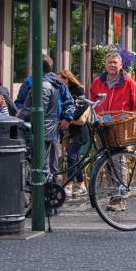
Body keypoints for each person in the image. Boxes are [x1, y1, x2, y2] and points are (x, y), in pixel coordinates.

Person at [89, 53, 136, 213]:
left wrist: (127, 117)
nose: (112, 65)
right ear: (105, 65)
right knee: (106, 162)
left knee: (118, 161)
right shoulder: (98, 82)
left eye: (115, 63)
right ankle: (112, 196)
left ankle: (120, 199)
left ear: (121, 65)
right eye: (109, 63)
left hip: (121, 128)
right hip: (103, 126)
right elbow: (92, 101)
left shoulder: (129, 83)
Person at [17, 57, 73, 182]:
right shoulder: (29, 82)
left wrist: (67, 119)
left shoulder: (58, 83)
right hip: (33, 127)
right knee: (41, 162)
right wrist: (20, 110)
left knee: (50, 162)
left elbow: (69, 102)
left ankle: (50, 190)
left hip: (54, 126)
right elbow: (19, 102)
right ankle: (43, 190)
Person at [57, 68, 89, 197]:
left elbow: (82, 107)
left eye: (61, 79)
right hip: (68, 130)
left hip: (80, 130)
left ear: (67, 79)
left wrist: (67, 117)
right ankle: (81, 185)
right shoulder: (60, 91)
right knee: (74, 158)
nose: (59, 82)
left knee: (71, 156)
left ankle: (69, 185)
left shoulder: (78, 90)